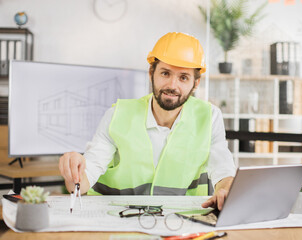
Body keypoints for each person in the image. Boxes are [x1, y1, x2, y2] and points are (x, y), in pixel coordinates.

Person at [59, 32, 236, 210]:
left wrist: (225, 190)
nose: (172, 86)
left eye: (183, 77)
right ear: (151, 72)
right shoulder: (117, 115)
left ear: (196, 83)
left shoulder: (209, 117)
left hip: (183, 222)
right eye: (165, 73)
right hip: (118, 219)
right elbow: (82, 181)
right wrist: (74, 172)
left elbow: (223, 168)